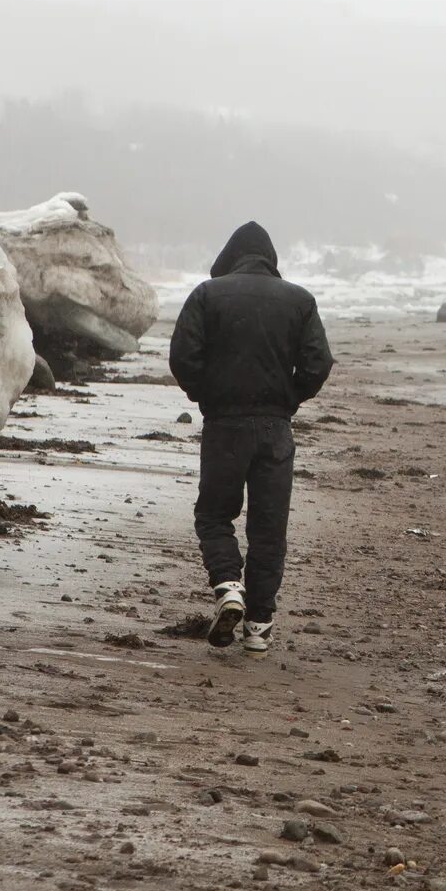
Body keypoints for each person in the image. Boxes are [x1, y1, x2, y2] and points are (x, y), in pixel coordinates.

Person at [167, 222, 332, 653]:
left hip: (224, 425)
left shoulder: (207, 294)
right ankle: (259, 624)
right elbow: (318, 363)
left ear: (230, 257)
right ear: (270, 259)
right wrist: (290, 399)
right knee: (268, 528)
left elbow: (183, 356)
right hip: (275, 430)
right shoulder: (300, 300)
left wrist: (205, 394)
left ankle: (227, 586)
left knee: (215, 515)